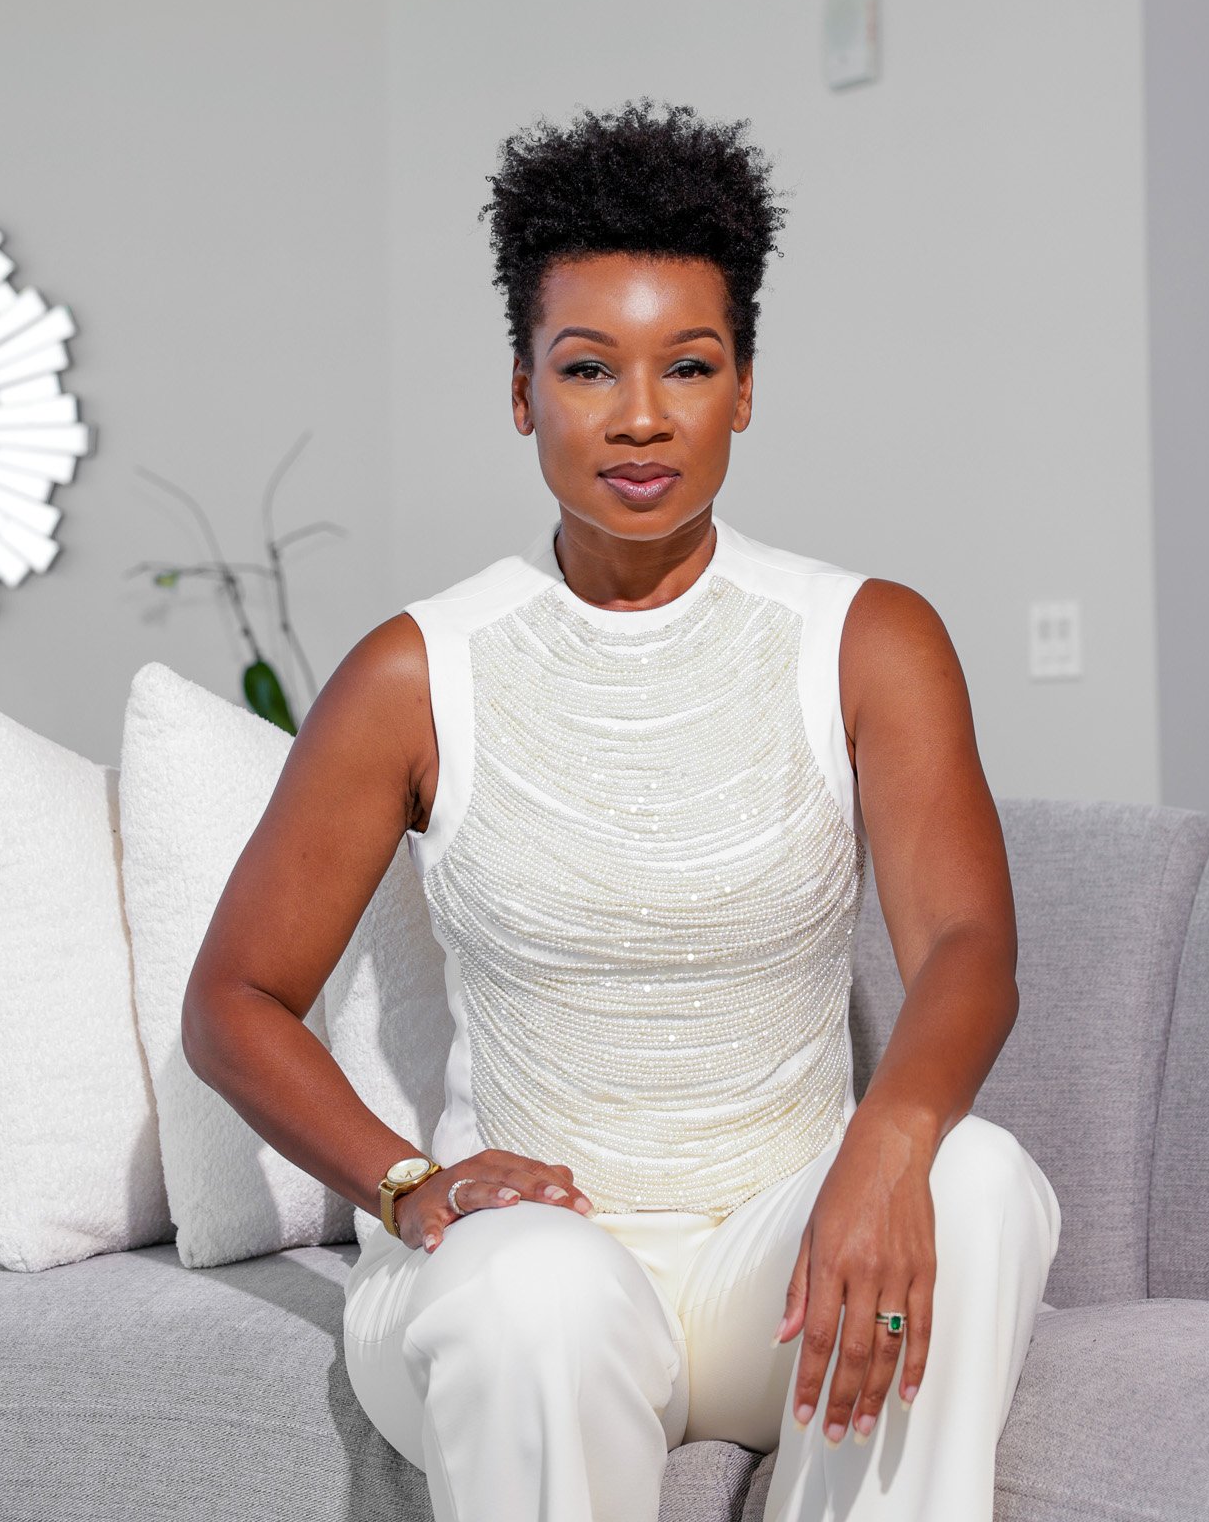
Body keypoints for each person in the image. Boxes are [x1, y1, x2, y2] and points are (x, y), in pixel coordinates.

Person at [182, 97, 1060, 1522]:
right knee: (536, 1290)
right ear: (522, 389)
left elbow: (968, 943)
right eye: (588, 367)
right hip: (532, 1278)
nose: (641, 416)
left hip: (783, 1261)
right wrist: (412, 1188)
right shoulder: (418, 673)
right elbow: (233, 997)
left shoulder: (865, 637)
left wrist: (887, 1148)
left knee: (980, 1178)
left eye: (690, 366)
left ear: (746, 385)